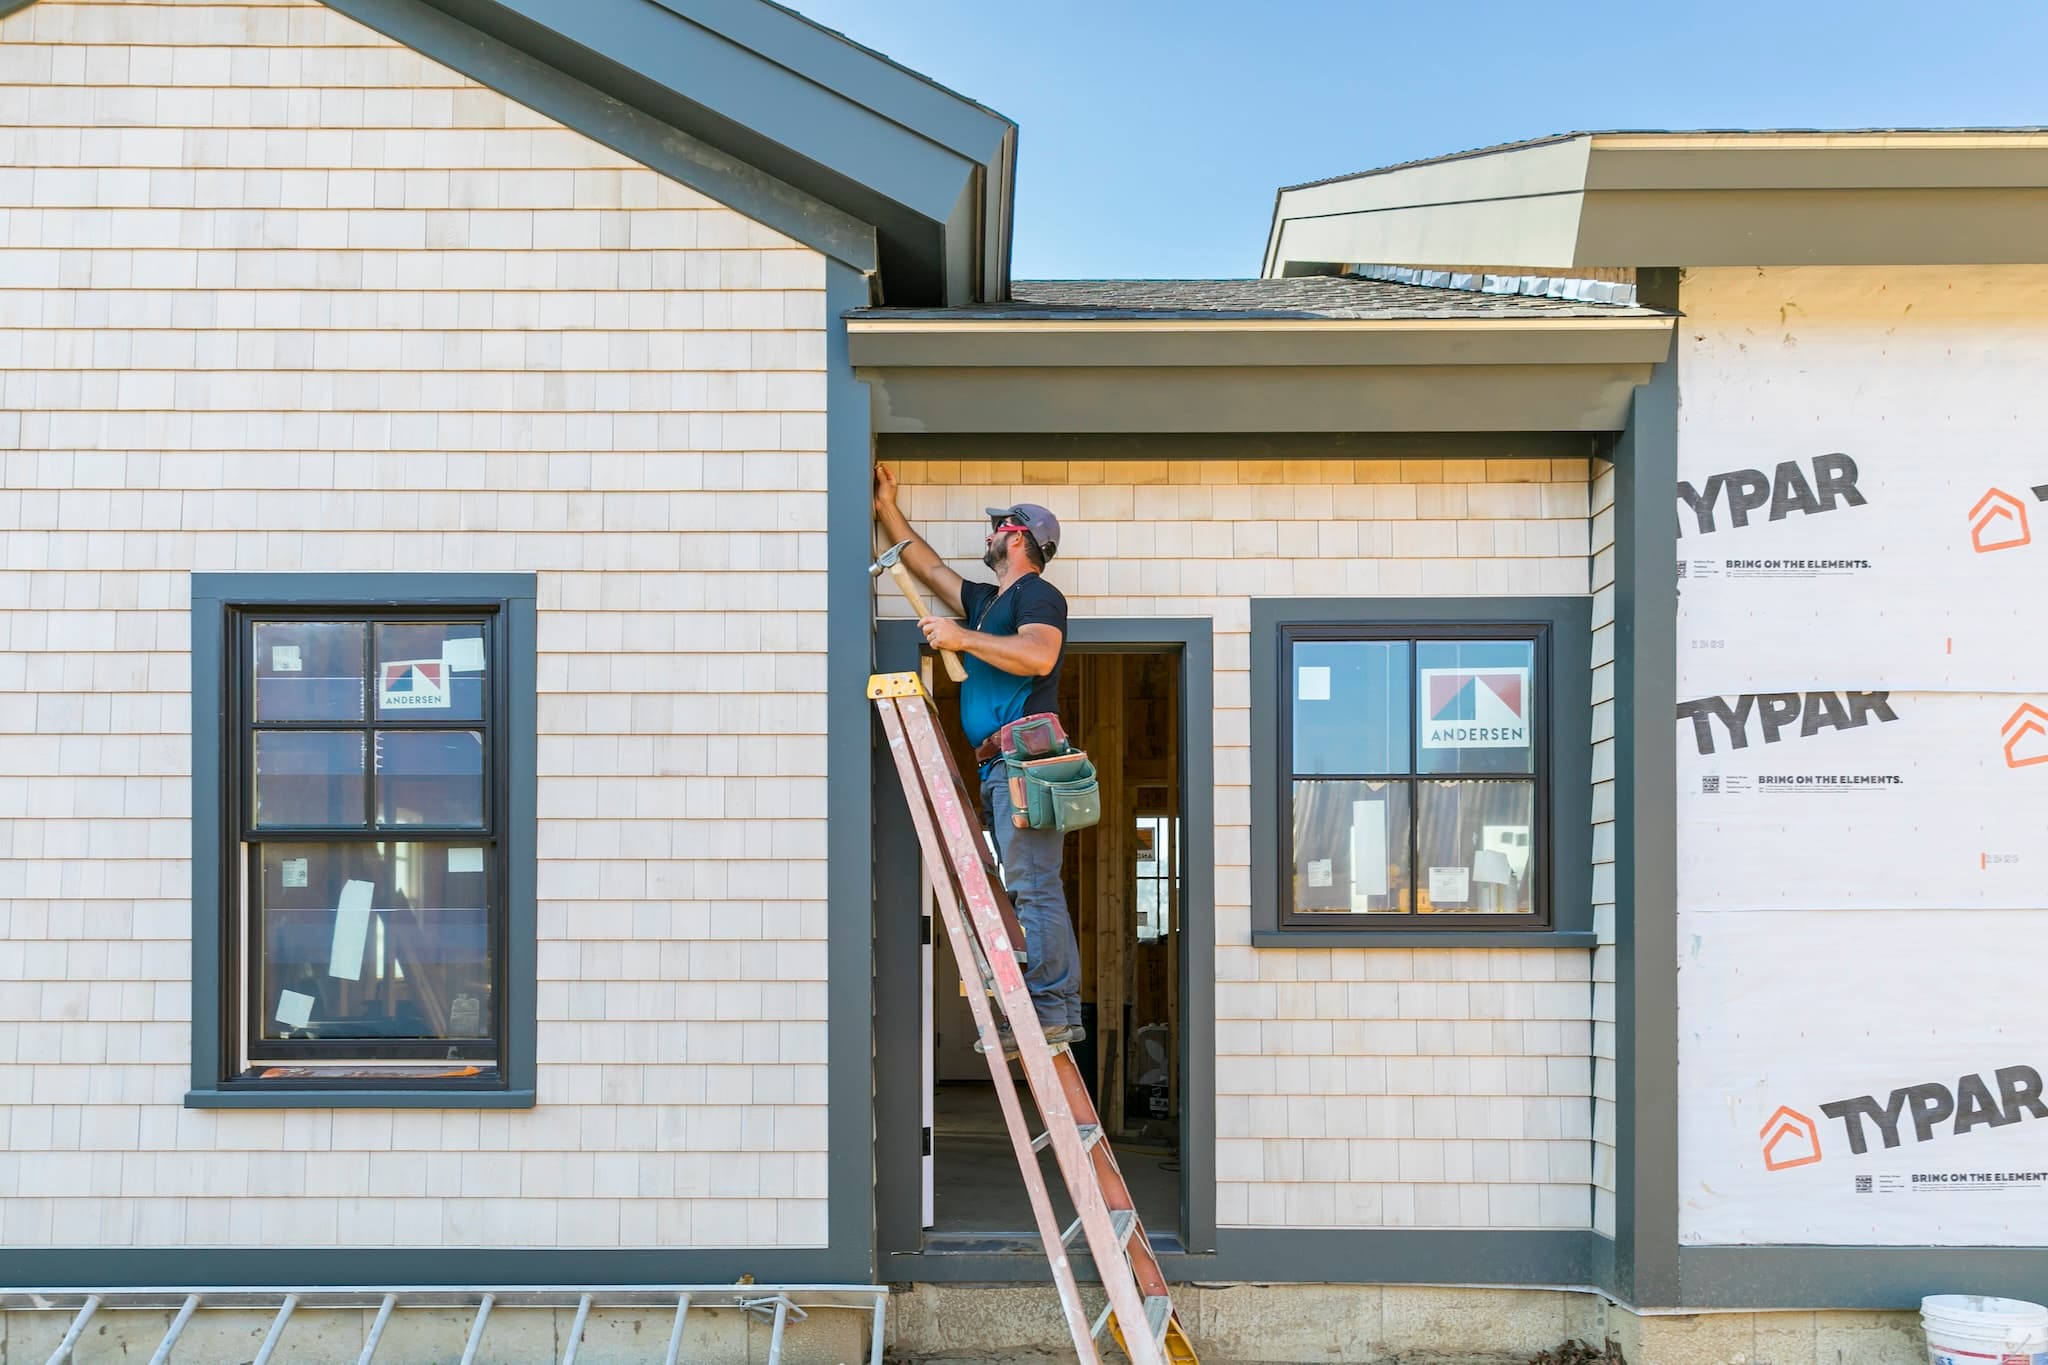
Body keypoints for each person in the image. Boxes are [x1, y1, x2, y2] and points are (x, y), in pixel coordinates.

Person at [874, 462, 1084, 1053]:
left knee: (1033, 887)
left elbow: (1039, 657)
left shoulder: (1038, 595)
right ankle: (1058, 1007)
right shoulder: (991, 600)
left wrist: (960, 638)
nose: (988, 535)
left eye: (996, 528)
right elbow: (928, 566)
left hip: (1025, 764)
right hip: (1000, 766)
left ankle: (1047, 1008)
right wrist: (885, 507)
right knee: (1033, 884)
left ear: (1017, 536)